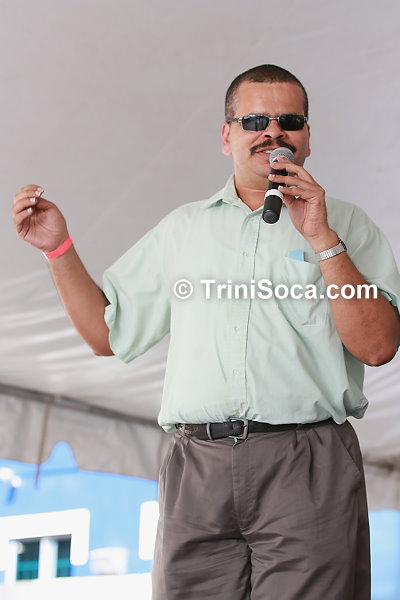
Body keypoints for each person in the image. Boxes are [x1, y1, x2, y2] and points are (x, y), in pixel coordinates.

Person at [12, 64, 400, 599]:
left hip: (306, 459)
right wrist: (57, 249)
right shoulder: (183, 229)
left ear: (307, 137)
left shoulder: (347, 225)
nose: (273, 132)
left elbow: (378, 347)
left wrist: (322, 238)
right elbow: (107, 334)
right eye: (254, 121)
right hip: (196, 463)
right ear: (226, 136)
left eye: (289, 121)